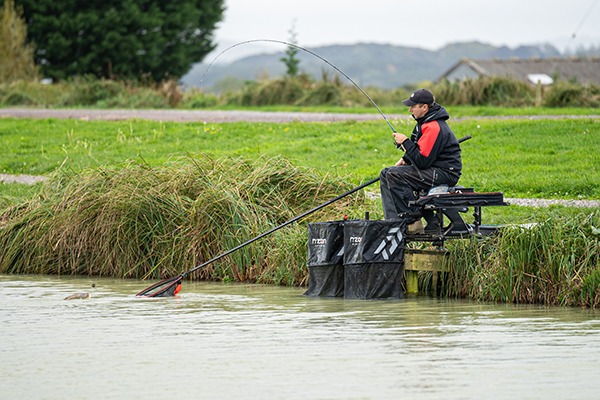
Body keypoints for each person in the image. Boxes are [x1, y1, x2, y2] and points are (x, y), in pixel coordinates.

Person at [380, 89, 462, 232]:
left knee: (393, 174)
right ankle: (393, 222)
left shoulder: (433, 126)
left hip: (445, 173)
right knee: (385, 173)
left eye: (413, 106)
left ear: (424, 107)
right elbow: (422, 149)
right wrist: (405, 158)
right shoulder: (425, 122)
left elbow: (422, 161)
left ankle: (412, 221)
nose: (410, 109)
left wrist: (405, 142)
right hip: (434, 169)